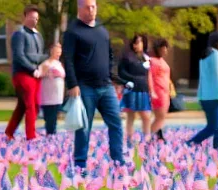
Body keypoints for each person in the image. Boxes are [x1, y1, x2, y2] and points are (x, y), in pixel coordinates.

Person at [62, 0, 124, 168]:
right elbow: (67, 59)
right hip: (84, 87)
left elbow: (110, 54)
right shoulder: (72, 32)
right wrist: (72, 84)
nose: (91, 10)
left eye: (94, 7)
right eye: (88, 7)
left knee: (116, 123)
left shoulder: (102, 30)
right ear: (79, 9)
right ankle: (80, 163)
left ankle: (118, 160)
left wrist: (112, 76)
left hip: (106, 86)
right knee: (84, 127)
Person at [5, 5, 45, 141]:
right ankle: (31, 136)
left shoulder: (37, 35)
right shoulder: (19, 34)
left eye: (37, 19)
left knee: (23, 106)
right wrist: (32, 68)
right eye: (32, 17)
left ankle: (9, 132)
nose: (34, 21)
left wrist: (40, 66)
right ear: (25, 16)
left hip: (36, 74)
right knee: (31, 104)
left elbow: (39, 56)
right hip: (22, 74)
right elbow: (19, 56)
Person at [187, 31, 218, 150]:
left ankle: (217, 147)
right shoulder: (215, 55)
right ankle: (190, 143)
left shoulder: (205, 54)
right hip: (215, 96)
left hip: (207, 96)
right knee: (214, 126)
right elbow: (217, 76)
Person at [117, 33, 152, 141]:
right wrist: (133, 78)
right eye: (135, 43)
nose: (137, 45)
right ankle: (129, 139)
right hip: (132, 89)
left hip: (143, 89)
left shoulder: (146, 57)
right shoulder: (127, 57)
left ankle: (146, 138)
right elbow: (121, 72)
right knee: (131, 116)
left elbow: (149, 74)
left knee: (146, 116)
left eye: (139, 43)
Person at [38, 43, 66, 136]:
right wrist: (48, 73)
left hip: (57, 95)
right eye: (56, 52)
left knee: (54, 116)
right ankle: (50, 134)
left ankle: (52, 133)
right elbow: (39, 74)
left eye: (59, 52)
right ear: (51, 51)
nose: (58, 54)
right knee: (49, 116)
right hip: (48, 95)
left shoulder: (59, 64)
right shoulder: (46, 64)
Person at [148, 38, 171, 140]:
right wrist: (152, 91)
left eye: (166, 48)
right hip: (158, 92)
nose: (166, 50)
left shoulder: (161, 60)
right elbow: (149, 77)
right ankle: (149, 138)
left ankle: (158, 136)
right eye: (164, 48)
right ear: (158, 49)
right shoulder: (152, 61)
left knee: (161, 117)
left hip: (165, 92)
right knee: (160, 117)